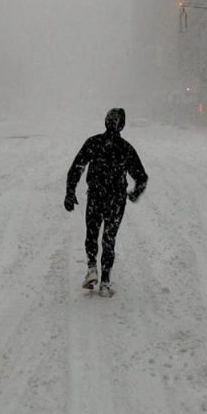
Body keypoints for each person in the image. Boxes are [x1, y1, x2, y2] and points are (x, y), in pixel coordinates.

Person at [64, 107, 147, 297]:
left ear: (105, 122)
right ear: (122, 125)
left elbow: (76, 167)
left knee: (92, 233)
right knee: (109, 239)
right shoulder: (126, 149)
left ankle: (92, 266)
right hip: (116, 200)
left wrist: (70, 192)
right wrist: (134, 193)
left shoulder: (94, 143)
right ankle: (106, 281)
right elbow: (141, 177)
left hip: (96, 196)